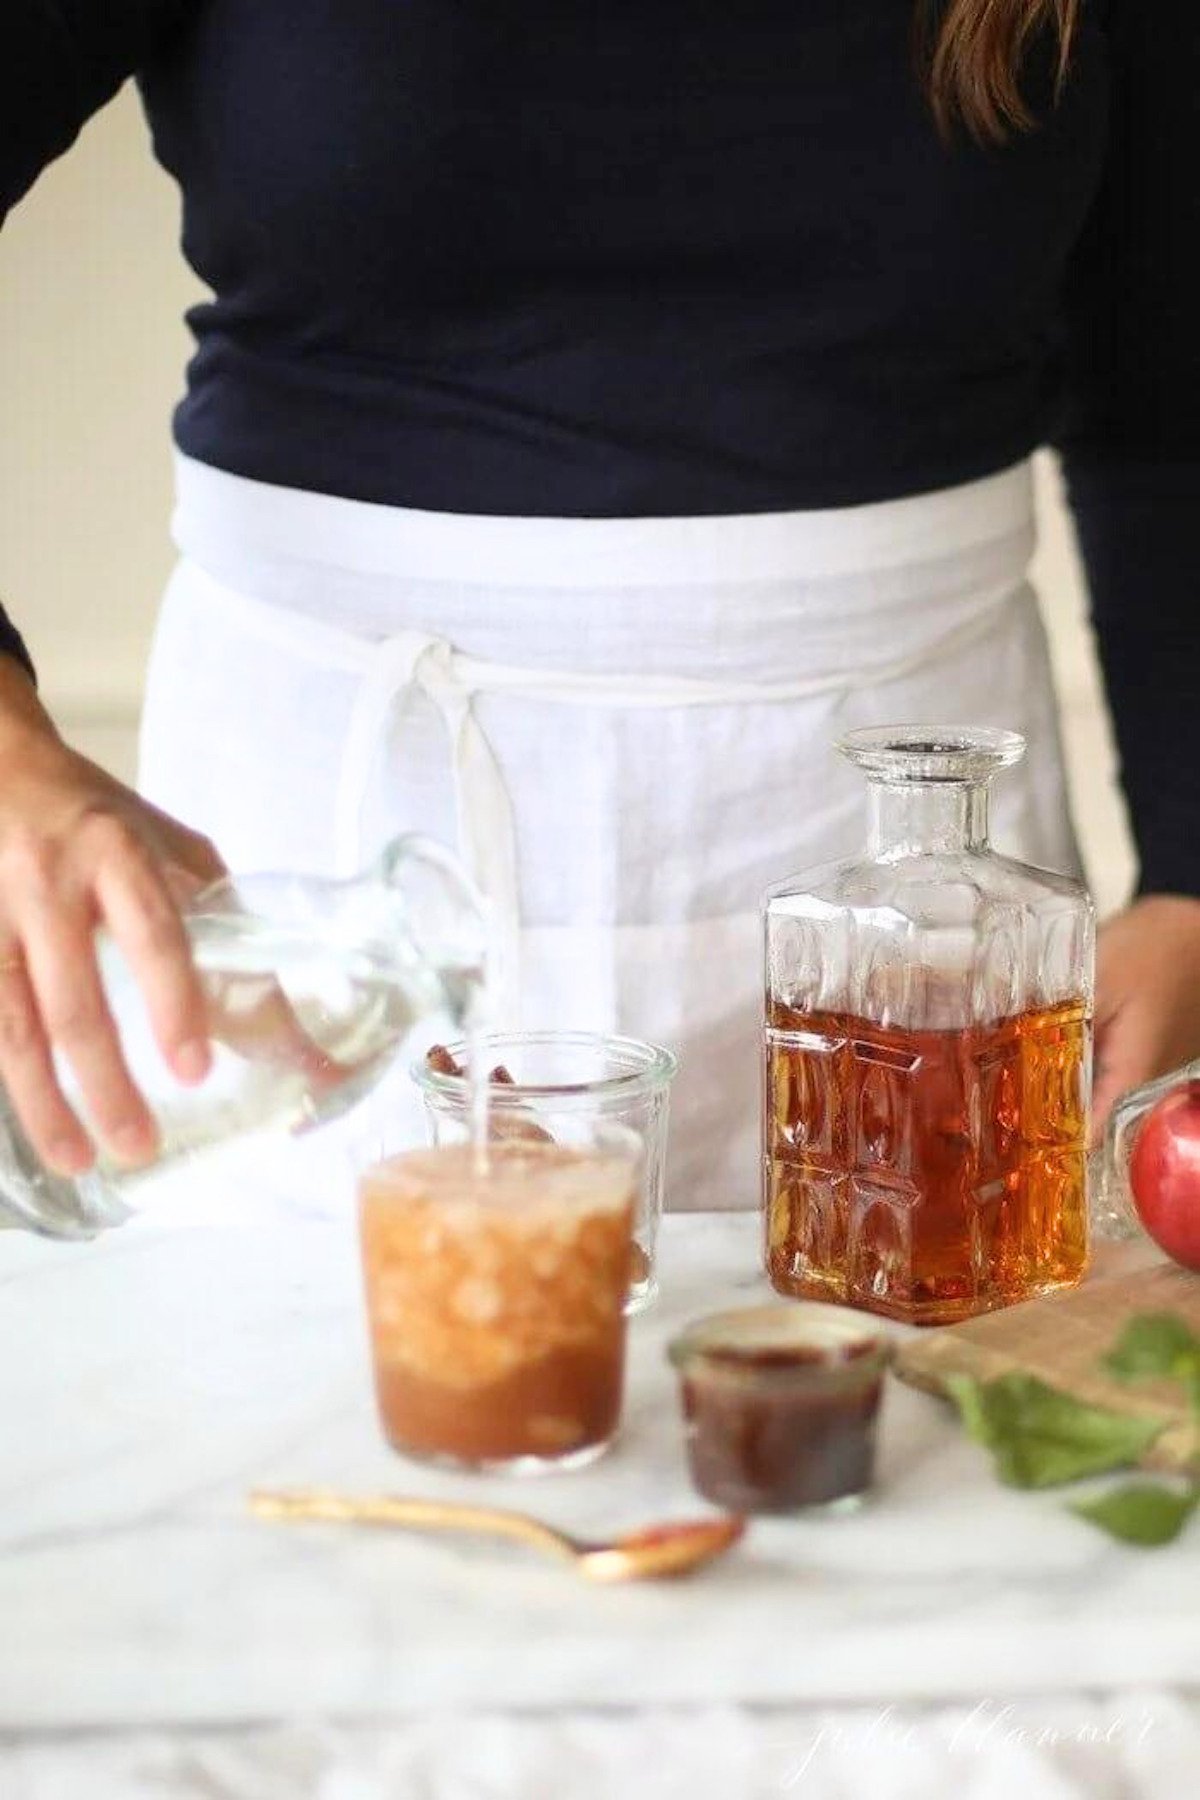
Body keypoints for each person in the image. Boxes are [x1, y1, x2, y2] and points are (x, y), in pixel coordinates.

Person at [0, 0, 1197, 1209]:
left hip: (927, 896)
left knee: (937, 1385)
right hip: (334, 906)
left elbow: (1169, 406)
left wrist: (1194, 871)